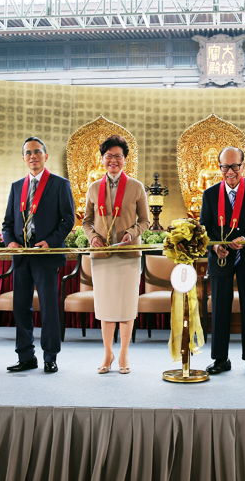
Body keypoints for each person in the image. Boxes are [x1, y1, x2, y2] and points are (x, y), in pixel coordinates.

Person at [2, 137, 75, 374]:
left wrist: (51, 242)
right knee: (21, 307)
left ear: (45, 156)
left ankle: (50, 357)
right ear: (23, 159)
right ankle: (26, 356)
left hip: (45, 254)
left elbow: (68, 219)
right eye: (28, 153)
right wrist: (10, 241)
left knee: (48, 308)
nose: (33, 156)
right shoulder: (16, 187)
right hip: (22, 256)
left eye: (37, 152)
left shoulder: (59, 184)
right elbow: (7, 223)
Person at [200, 146, 245, 375]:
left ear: (243, 165)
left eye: (234, 166)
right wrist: (216, 246)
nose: (230, 171)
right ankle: (220, 358)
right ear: (219, 167)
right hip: (221, 259)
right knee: (220, 306)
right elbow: (206, 228)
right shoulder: (210, 193)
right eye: (224, 167)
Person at [83, 135, 149, 374]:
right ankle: (107, 354)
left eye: (118, 156)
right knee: (106, 307)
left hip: (128, 255)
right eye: (109, 156)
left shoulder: (136, 187)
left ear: (125, 159)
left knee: (126, 306)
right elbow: (86, 222)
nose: (113, 160)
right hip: (101, 256)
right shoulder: (93, 188)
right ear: (102, 159)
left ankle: (123, 355)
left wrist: (132, 233)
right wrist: (93, 237)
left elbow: (145, 221)